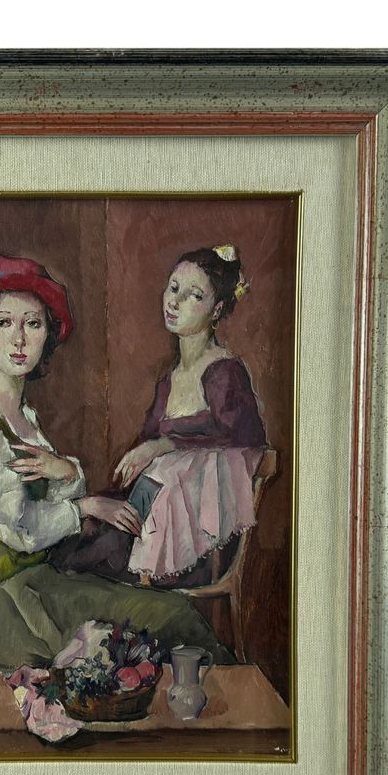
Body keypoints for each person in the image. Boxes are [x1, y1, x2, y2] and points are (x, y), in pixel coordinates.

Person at [0, 253, 232, 671]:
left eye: (33, 324)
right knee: (163, 625)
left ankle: (218, 700)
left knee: (172, 618)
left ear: (48, 335)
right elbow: (23, 531)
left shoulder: (22, 416)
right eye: (4, 322)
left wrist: (68, 472)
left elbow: (49, 502)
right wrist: (86, 506)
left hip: (36, 587)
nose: (19, 340)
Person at [51, 244, 267, 586]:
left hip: (194, 539)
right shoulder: (168, 381)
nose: (175, 302)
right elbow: (145, 452)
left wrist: (165, 445)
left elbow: (246, 439)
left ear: (217, 309)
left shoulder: (224, 372)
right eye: (174, 288)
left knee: (76, 558)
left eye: (194, 295)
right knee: (73, 543)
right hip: (150, 515)